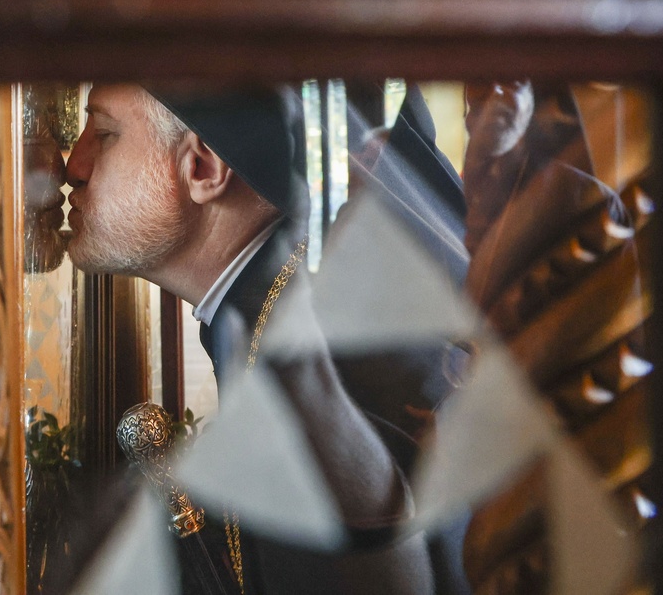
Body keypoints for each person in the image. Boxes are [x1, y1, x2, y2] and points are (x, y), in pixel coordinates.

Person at [65, 83, 468, 594]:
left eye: (104, 133)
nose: (74, 166)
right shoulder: (294, 306)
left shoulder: (331, 347)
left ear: (203, 169)